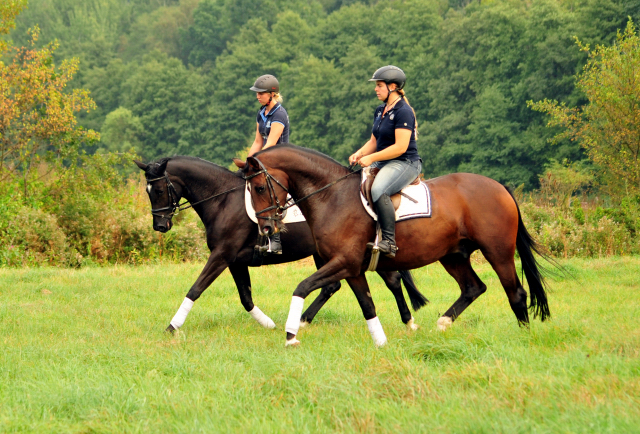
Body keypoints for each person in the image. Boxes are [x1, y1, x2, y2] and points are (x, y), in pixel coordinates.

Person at [349, 65, 422, 258]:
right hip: (384, 162)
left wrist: (371, 158)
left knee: (378, 189)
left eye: (379, 85)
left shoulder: (404, 111)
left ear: (393, 87)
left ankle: (389, 242)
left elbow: (400, 147)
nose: (376, 89)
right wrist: (359, 153)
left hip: (405, 162)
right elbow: (374, 141)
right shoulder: (380, 110)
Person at [248, 74, 290, 254]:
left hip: (280, 161)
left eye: (261, 93)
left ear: (272, 94)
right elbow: (258, 142)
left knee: (269, 192)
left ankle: (276, 240)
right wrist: (248, 162)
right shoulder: (261, 113)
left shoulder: (279, 114)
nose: (258, 96)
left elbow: (271, 143)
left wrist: (257, 161)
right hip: (264, 160)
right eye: (257, 93)